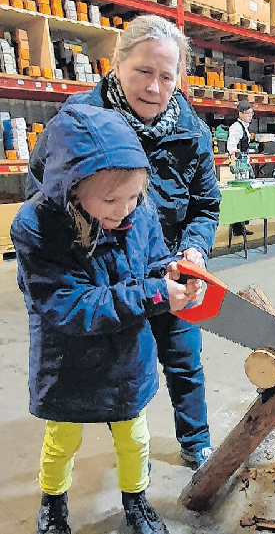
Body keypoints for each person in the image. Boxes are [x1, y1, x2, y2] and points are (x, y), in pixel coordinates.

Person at [26, 15, 221, 469]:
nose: (155, 87)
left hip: (171, 267)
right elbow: (43, 193)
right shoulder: (77, 121)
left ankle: (196, 444)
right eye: (144, 72)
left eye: (167, 76)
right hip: (101, 277)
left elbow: (205, 206)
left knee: (184, 357)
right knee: (117, 367)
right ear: (117, 65)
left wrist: (193, 249)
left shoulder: (192, 131)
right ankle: (131, 456)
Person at [11, 104, 200, 534]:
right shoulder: (37, 227)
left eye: (134, 196)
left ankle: (137, 502)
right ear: (71, 189)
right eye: (111, 200)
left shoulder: (138, 212)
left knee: (133, 437)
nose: (125, 209)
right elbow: (73, 306)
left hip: (126, 354)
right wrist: (152, 293)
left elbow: (151, 262)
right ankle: (53, 504)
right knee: (62, 440)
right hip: (68, 359)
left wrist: (168, 272)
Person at [226, 100, 254, 236]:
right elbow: (231, 145)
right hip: (240, 167)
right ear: (240, 113)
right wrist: (235, 156)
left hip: (244, 165)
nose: (250, 115)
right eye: (248, 113)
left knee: (245, 197)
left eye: (251, 113)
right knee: (240, 197)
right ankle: (238, 226)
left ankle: (241, 225)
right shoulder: (236, 127)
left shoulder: (244, 127)